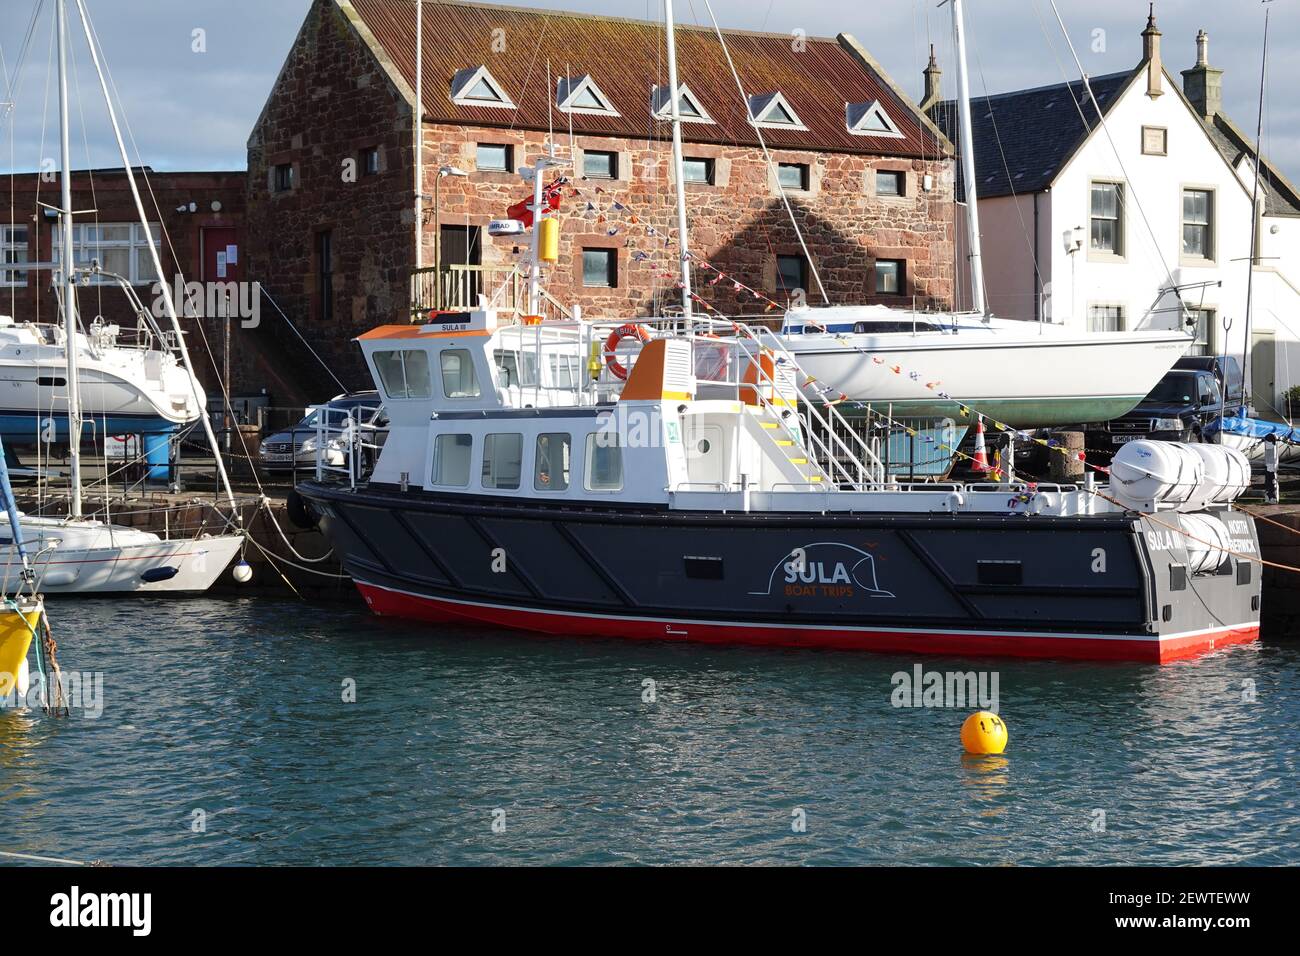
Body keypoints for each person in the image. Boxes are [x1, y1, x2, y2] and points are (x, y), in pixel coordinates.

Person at [1264, 433, 1280, 504]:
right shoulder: (1269, 445)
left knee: (1272, 481)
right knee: (1270, 481)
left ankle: (1272, 498)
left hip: (1271, 466)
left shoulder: (1271, 445)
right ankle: (1270, 497)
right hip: (1269, 466)